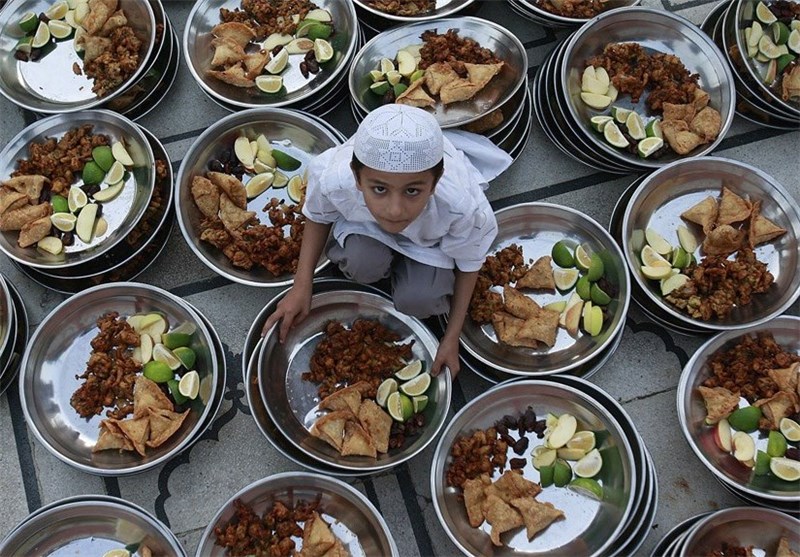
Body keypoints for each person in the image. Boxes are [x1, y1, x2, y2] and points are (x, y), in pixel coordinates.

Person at [262, 104, 511, 378]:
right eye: (379, 189)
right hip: (366, 226)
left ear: (436, 181)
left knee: (420, 301)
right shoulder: (336, 179)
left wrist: (451, 338)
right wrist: (301, 285)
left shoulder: (461, 207)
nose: (395, 210)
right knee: (361, 265)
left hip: (430, 243)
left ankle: (410, 277)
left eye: (412, 191)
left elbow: (469, 263)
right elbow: (318, 215)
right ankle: (382, 261)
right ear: (357, 178)